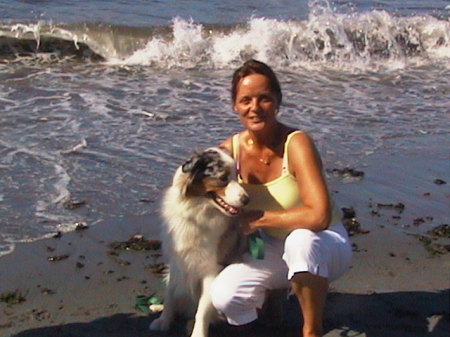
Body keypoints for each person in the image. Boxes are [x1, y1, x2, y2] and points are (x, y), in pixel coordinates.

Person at [210, 59, 352, 337]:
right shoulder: (230, 150)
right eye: (245, 100)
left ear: (277, 101)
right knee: (226, 296)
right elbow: (203, 188)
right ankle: (271, 306)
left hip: (326, 243)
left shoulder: (296, 143)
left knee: (301, 240)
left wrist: (259, 220)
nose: (254, 107)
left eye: (264, 98)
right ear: (234, 106)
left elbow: (318, 216)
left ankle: (312, 330)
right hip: (271, 246)